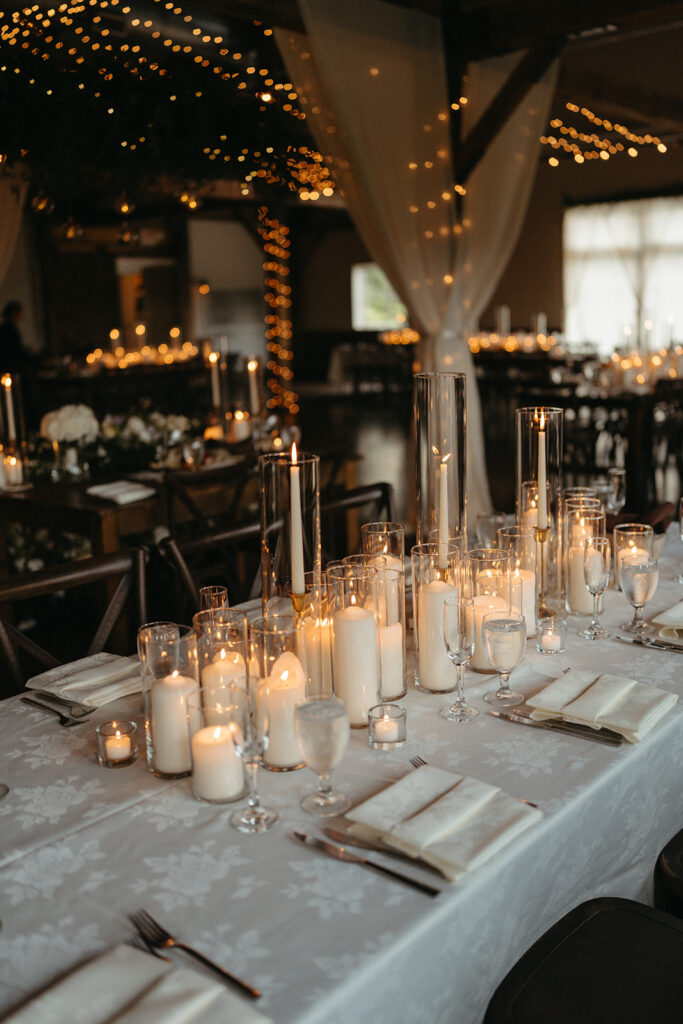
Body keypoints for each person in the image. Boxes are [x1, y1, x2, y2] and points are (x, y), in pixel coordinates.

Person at [0, 301, 26, 374]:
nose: (21, 317)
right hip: (9, 368)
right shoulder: (8, 330)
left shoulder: (8, 329)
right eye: (19, 314)